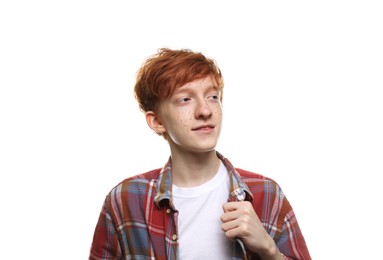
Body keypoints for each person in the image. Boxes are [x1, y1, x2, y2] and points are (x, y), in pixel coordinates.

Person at [89, 48, 311, 260]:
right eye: (185, 99)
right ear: (157, 121)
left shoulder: (266, 194)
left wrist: (269, 251)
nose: (205, 111)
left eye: (212, 96)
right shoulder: (126, 199)